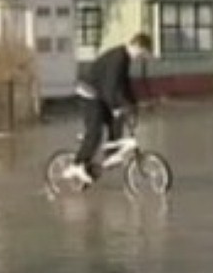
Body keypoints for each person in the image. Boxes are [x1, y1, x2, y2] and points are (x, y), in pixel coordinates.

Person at [61, 33, 153, 185]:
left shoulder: (125, 59)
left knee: (117, 120)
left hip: (100, 94)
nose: (141, 57)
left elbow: (124, 84)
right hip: (90, 93)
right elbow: (110, 87)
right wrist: (116, 106)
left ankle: (110, 153)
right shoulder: (118, 58)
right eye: (142, 53)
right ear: (136, 46)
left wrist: (133, 104)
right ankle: (76, 165)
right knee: (95, 133)